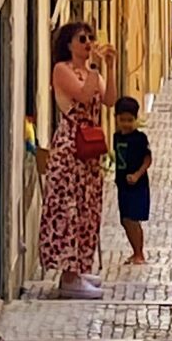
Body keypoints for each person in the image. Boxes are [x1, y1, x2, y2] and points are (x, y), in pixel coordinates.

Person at [38, 21, 109, 298]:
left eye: (91, 37)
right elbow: (82, 95)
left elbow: (109, 99)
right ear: (69, 44)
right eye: (82, 39)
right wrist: (94, 70)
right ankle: (69, 275)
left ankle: (79, 268)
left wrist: (110, 68)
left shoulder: (89, 72)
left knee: (87, 208)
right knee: (69, 209)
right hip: (70, 149)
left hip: (89, 151)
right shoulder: (62, 70)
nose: (89, 43)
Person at [113, 95, 152, 263]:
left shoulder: (140, 138)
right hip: (122, 184)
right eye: (123, 120)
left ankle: (139, 253)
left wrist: (137, 175)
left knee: (134, 220)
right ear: (117, 119)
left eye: (130, 120)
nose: (126, 124)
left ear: (136, 119)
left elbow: (148, 159)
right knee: (125, 220)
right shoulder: (116, 137)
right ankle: (134, 250)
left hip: (138, 185)